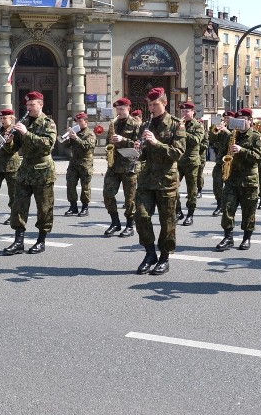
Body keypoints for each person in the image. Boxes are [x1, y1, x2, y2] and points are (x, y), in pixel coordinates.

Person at [134, 87, 186, 275]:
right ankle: (149, 253)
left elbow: (178, 153)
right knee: (140, 215)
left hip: (166, 179)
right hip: (147, 178)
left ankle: (164, 257)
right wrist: (138, 149)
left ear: (164, 103)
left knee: (167, 221)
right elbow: (144, 155)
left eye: (155, 104)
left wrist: (157, 143)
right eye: (149, 104)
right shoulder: (145, 125)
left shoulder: (176, 125)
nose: (151, 108)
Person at [1, 92, 57, 255]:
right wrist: (9, 141)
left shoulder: (48, 123)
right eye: (27, 105)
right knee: (18, 206)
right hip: (25, 170)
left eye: (32, 105)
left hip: (43, 171)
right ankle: (19, 241)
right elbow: (15, 148)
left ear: (40, 104)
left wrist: (27, 133)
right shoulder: (24, 121)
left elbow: (48, 145)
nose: (29, 108)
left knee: (44, 208)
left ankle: (41, 241)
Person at [215, 108, 261, 252]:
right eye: (239, 118)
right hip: (231, 179)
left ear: (250, 120)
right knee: (227, 208)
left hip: (248, 180)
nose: (241, 121)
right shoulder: (232, 135)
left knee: (248, 211)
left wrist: (241, 150)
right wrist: (222, 163)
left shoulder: (257, 136)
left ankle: (246, 238)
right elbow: (222, 153)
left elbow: (260, 157)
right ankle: (228, 237)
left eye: (244, 118)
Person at [103, 98, 142, 237]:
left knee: (129, 198)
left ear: (128, 108)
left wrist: (123, 140)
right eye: (117, 109)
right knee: (107, 193)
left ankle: (130, 225)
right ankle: (115, 222)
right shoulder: (113, 123)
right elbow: (109, 142)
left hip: (129, 165)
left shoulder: (136, 124)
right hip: (114, 165)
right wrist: (109, 147)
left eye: (122, 109)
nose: (119, 112)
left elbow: (139, 145)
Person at [175, 102, 205, 226]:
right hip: (178, 160)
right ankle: (178, 211)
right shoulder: (178, 124)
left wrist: (182, 131)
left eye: (187, 111)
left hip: (191, 162)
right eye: (182, 112)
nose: (184, 114)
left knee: (191, 189)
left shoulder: (198, 126)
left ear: (193, 112)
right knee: (172, 186)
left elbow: (196, 140)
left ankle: (190, 214)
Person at [62, 112, 96, 217]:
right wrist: (67, 137)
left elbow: (88, 146)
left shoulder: (90, 134)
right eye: (77, 121)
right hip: (74, 163)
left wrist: (76, 138)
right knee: (70, 184)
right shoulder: (75, 132)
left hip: (85, 163)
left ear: (86, 122)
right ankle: (73, 206)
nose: (78, 123)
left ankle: (85, 208)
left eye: (80, 121)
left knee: (85, 186)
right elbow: (65, 145)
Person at [210, 111, 234, 216]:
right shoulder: (221, 130)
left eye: (228, 118)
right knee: (217, 184)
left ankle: (229, 206)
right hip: (220, 161)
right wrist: (215, 132)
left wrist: (227, 132)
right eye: (225, 118)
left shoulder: (236, 129)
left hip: (233, 163)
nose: (226, 120)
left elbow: (234, 141)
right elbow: (211, 141)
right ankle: (219, 204)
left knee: (230, 186)